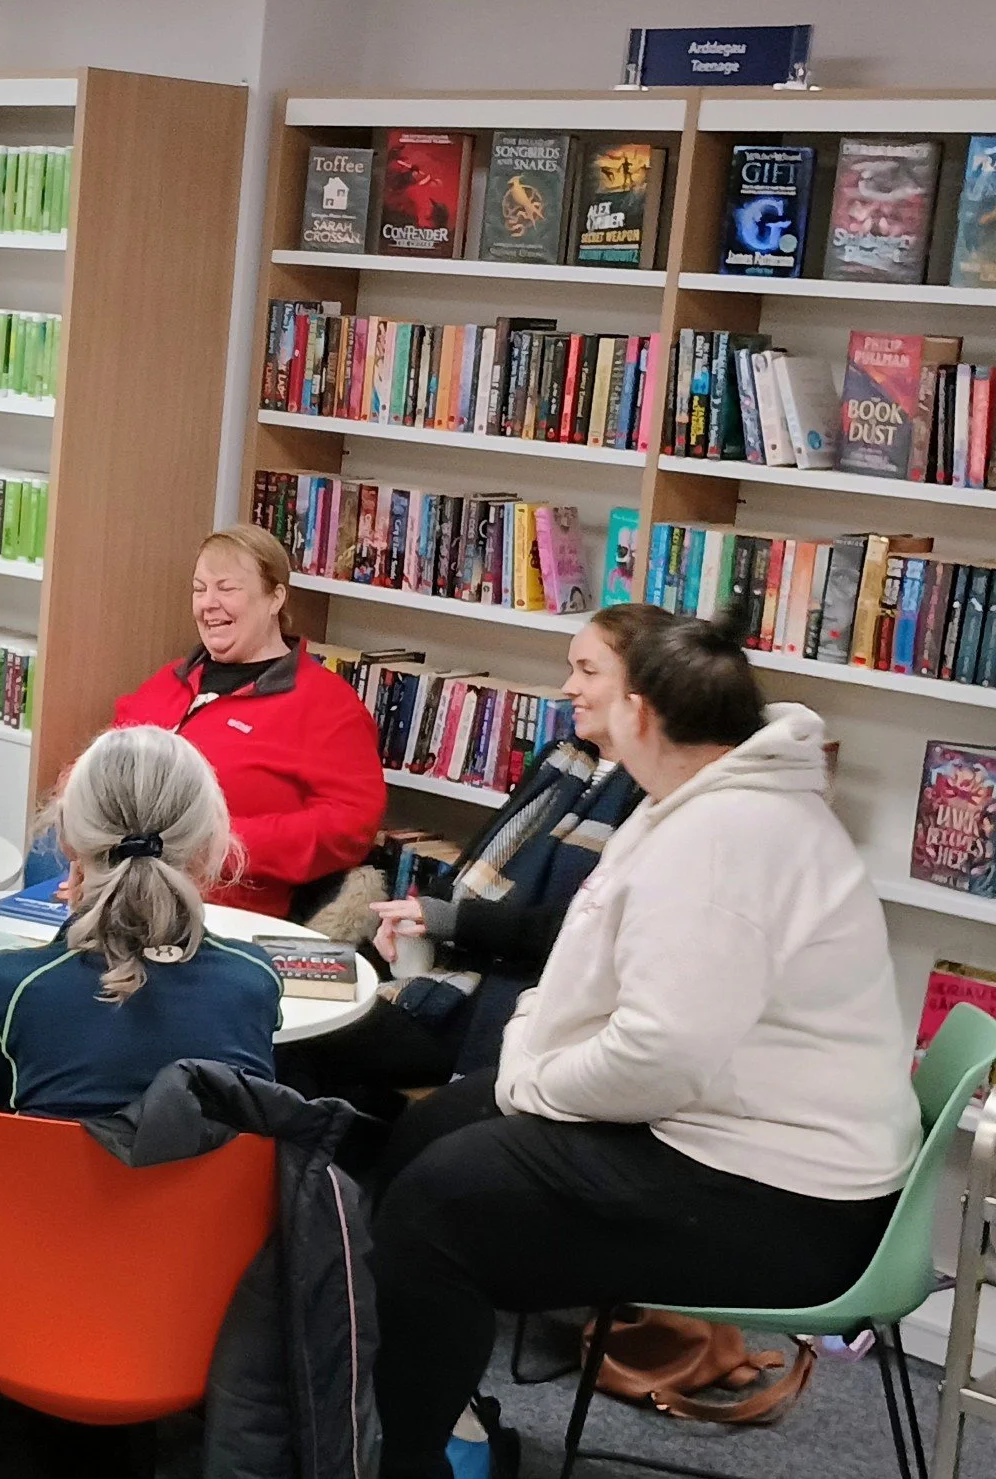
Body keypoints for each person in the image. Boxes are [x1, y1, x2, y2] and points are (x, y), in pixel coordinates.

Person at [367, 615, 921, 1479]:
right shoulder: (697, 803)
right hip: (735, 1136)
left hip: (790, 1200)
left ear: (642, 711)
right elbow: (596, 975)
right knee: (435, 1130)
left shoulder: (723, 838)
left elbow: (660, 1055)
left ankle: (409, 1457)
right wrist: (526, 1070)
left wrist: (535, 1083)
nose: (570, 692)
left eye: (594, 679)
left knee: (439, 1203)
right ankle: (435, 1411)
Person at [277, 603, 657, 1113]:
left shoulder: (649, 797)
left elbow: (572, 934)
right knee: (272, 979)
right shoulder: (562, 760)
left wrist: (445, 919)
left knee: (298, 1028)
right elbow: (473, 866)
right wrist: (415, 918)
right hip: (442, 963)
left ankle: (307, 1162)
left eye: (587, 672)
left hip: (493, 999)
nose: (568, 687)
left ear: (642, 689)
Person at [0, 723, 283, 1222]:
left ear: (67, 842)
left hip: (28, 1276)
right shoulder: (254, 981)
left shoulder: (9, 989)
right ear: (207, 845)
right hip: (210, 1286)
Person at [113, 524, 386, 919]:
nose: (208, 603)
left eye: (227, 589)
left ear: (275, 597)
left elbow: (350, 826)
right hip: (122, 890)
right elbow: (99, 766)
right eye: (199, 588)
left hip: (224, 910)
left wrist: (222, 844)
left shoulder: (326, 704)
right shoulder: (167, 681)